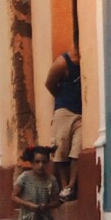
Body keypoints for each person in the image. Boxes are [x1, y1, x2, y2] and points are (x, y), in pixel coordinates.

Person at [44, 46, 83, 202]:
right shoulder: (62, 62)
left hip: (81, 112)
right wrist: (61, 98)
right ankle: (64, 185)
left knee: (77, 150)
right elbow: (49, 83)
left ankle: (71, 186)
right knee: (61, 149)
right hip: (64, 110)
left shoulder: (86, 59)